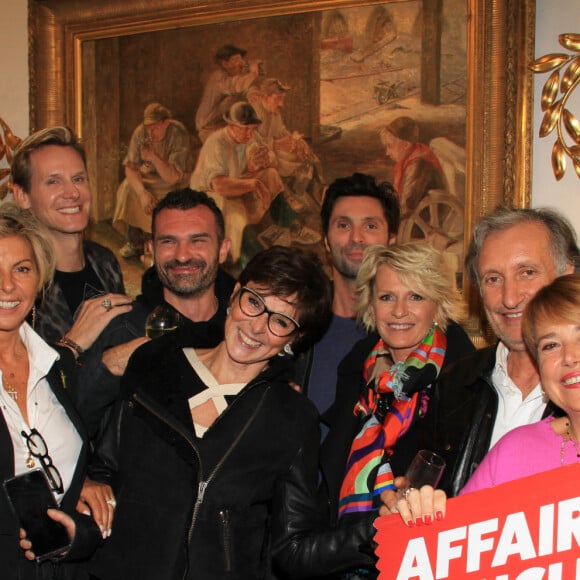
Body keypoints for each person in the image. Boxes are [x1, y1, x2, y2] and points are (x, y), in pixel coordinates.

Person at [73, 246, 382, 579]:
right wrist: (82, 489)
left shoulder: (291, 418)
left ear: (296, 338)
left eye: (280, 321)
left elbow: (292, 548)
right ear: (235, 295)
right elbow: (106, 471)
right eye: (254, 302)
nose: (257, 327)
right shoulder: (155, 363)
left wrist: (377, 529)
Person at [319, 242, 475, 577]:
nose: (399, 311)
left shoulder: (464, 377)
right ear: (371, 306)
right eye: (387, 297)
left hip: (421, 558)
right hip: (345, 552)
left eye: (416, 297)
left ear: (439, 304)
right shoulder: (357, 368)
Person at [392, 273, 580, 526]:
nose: (569, 356)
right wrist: (422, 522)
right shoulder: (515, 449)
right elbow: (457, 550)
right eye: (550, 345)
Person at [428, 206, 578, 497]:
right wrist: (412, 506)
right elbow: (430, 494)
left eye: (527, 272)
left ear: (567, 274)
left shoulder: (571, 386)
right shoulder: (454, 383)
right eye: (493, 279)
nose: (509, 298)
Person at [74, 188, 235, 440]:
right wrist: (106, 369)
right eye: (168, 241)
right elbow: (70, 428)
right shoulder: (118, 328)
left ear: (223, 249)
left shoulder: (247, 331)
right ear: (151, 248)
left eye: (198, 241)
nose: (182, 255)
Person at [0, 203, 102, 579]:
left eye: (21, 269)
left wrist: (81, 535)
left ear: (40, 277)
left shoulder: (57, 368)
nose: (7, 286)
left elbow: (79, 487)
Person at [11, 126, 133, 357]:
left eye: (78, 179)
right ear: (22, 196)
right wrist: (74, 343)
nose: (72, 192)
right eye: (53, 182)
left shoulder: (105, 261)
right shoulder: (16, 278)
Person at [294, 173, 400, 416]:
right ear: (326, 242)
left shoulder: (412, 329)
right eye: (343, 225)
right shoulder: (296, 323)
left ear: (391, 241)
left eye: (370, 226)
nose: (356, 238)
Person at [190, 101, 285, 267]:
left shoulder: (250, 136)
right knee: (235, 209)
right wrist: (254, 184)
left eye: (252, 128)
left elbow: (266, 157)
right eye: (245, 129)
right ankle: (251, 257)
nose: (250, 134)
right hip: (210, 194)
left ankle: (283, 227)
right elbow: (219, 185)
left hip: (237, 182)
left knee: (271, 175)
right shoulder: (216, 143)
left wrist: (265, 159)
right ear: (232, 126)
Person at [113, 102, 194, 258]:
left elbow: (173, 177)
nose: (150, 131)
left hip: (174, 181)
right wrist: (142, 193)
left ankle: (160, 243)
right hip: (150, 177)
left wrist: (152, 157)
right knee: (128, 188)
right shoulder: (141, 132)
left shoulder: (178, 133)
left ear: (166, 122)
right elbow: (130, 167)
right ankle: (135, 242)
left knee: (167, 197)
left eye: (155, 127)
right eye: (148, 126)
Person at [248, 77, 325, 209]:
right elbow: (250, 143)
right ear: (266, 97)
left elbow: (281, 131)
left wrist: (298, 141)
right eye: (278, 98)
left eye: (282, 98)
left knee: (306, 154)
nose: (281, 104)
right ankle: (291, 193)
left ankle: (318, 190)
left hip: (272, 150)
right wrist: (275, 144)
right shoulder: (253, 112)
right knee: (287, 160)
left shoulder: (274, 112)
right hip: (257, 158)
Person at [379, 116, 446, 216]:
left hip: (420, 224)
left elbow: (406, 206)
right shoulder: (412, 157)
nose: (387, 152)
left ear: (406, 145)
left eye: (390, 146)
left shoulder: (418, 165)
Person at [195, 44, 262, 143]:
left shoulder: (233, 77)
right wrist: (253, 73)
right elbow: (237, 86)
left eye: (241, 59)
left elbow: (241, 92)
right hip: (209, 129)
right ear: (225, 64)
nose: (241, 63)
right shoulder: (218, 77)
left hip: (224, 125)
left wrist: (250, 93)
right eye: (235, 60)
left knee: (253, 139)